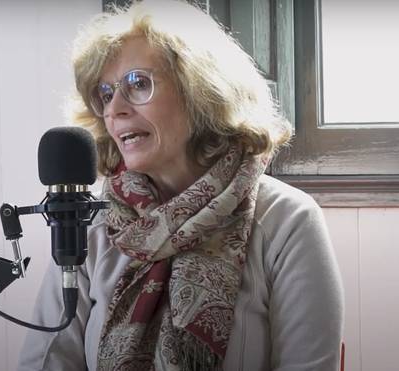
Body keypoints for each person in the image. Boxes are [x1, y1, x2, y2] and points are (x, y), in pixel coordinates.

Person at [18, 1, 344, 370]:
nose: (115, 109)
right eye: (106, 93)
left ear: (200, 91)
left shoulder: (287, 221)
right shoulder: (91, 224)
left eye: (138, 84)